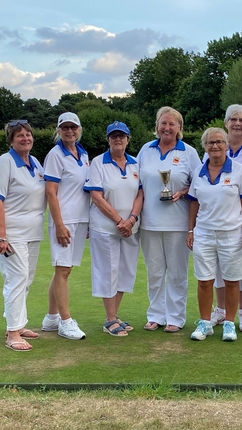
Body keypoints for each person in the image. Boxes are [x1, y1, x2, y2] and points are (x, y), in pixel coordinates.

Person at [186, 127, 242, 342]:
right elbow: (194, 204)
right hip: (204, 233)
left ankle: (229, 324)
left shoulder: (239, 170)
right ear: (205, 147)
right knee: (204, 280)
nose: (215, 146)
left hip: (232, 234)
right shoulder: (198, 172)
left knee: (232, 281)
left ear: (226, 145)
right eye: (210, 142)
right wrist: (191, 230)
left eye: (219, 142)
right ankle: (205, 323)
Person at [137, 106, 201, 333]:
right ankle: (156, 315)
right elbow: (137, 183)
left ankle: (175, 317)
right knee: (154, 273)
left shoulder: (189, 152)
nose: (167, 127)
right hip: (149, 223)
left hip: (179, 222)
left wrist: (183, 192)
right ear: (157, 126)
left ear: (179, 127)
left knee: (176, 273)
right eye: (163, 123)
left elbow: (200, 183)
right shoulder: (146, 150)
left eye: (172, 124)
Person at [0, 119, 46, 352]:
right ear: (11, 140)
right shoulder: (4, 162)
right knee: (16, 277)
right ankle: (12, 333)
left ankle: (18, 325)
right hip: (10, 232)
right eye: (19, 135)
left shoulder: (35, 163)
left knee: (26, 278)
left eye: (28, 134)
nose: (25, 138)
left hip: (32, 231)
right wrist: (1, 236)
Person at [84, 121, 143, 337]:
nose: (118, 139)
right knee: (108, 271)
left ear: (128, 139)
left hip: (130, 228)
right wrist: (120, 221)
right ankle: (109, 319)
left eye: (122, 136)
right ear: (108, 139)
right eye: (114, 136)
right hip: (105, 228)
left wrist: (132, 219)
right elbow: (96, 196)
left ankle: (114, 315)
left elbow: (140, 193)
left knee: (125, 271)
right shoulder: (98, 163)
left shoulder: (135, 163)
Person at [206, 105, 242, 333]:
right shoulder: (214, 148)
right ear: (226, 123)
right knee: (219, 267)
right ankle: (220, 310)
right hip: (218, 220)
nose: (237, 123)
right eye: (233, 119)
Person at [41, 112, 90, 340]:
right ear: (59, 130)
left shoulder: (83, 153)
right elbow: (51, 192)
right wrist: (59, 225)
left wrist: (87, 222)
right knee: (62, 269)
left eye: (73, 127)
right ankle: (65, 321)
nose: (69, 131)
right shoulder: (55, 155)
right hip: (64, 220)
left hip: (80, 219)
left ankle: (51, 318)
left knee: (65, 269)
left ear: (79, 129)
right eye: (65, 127)